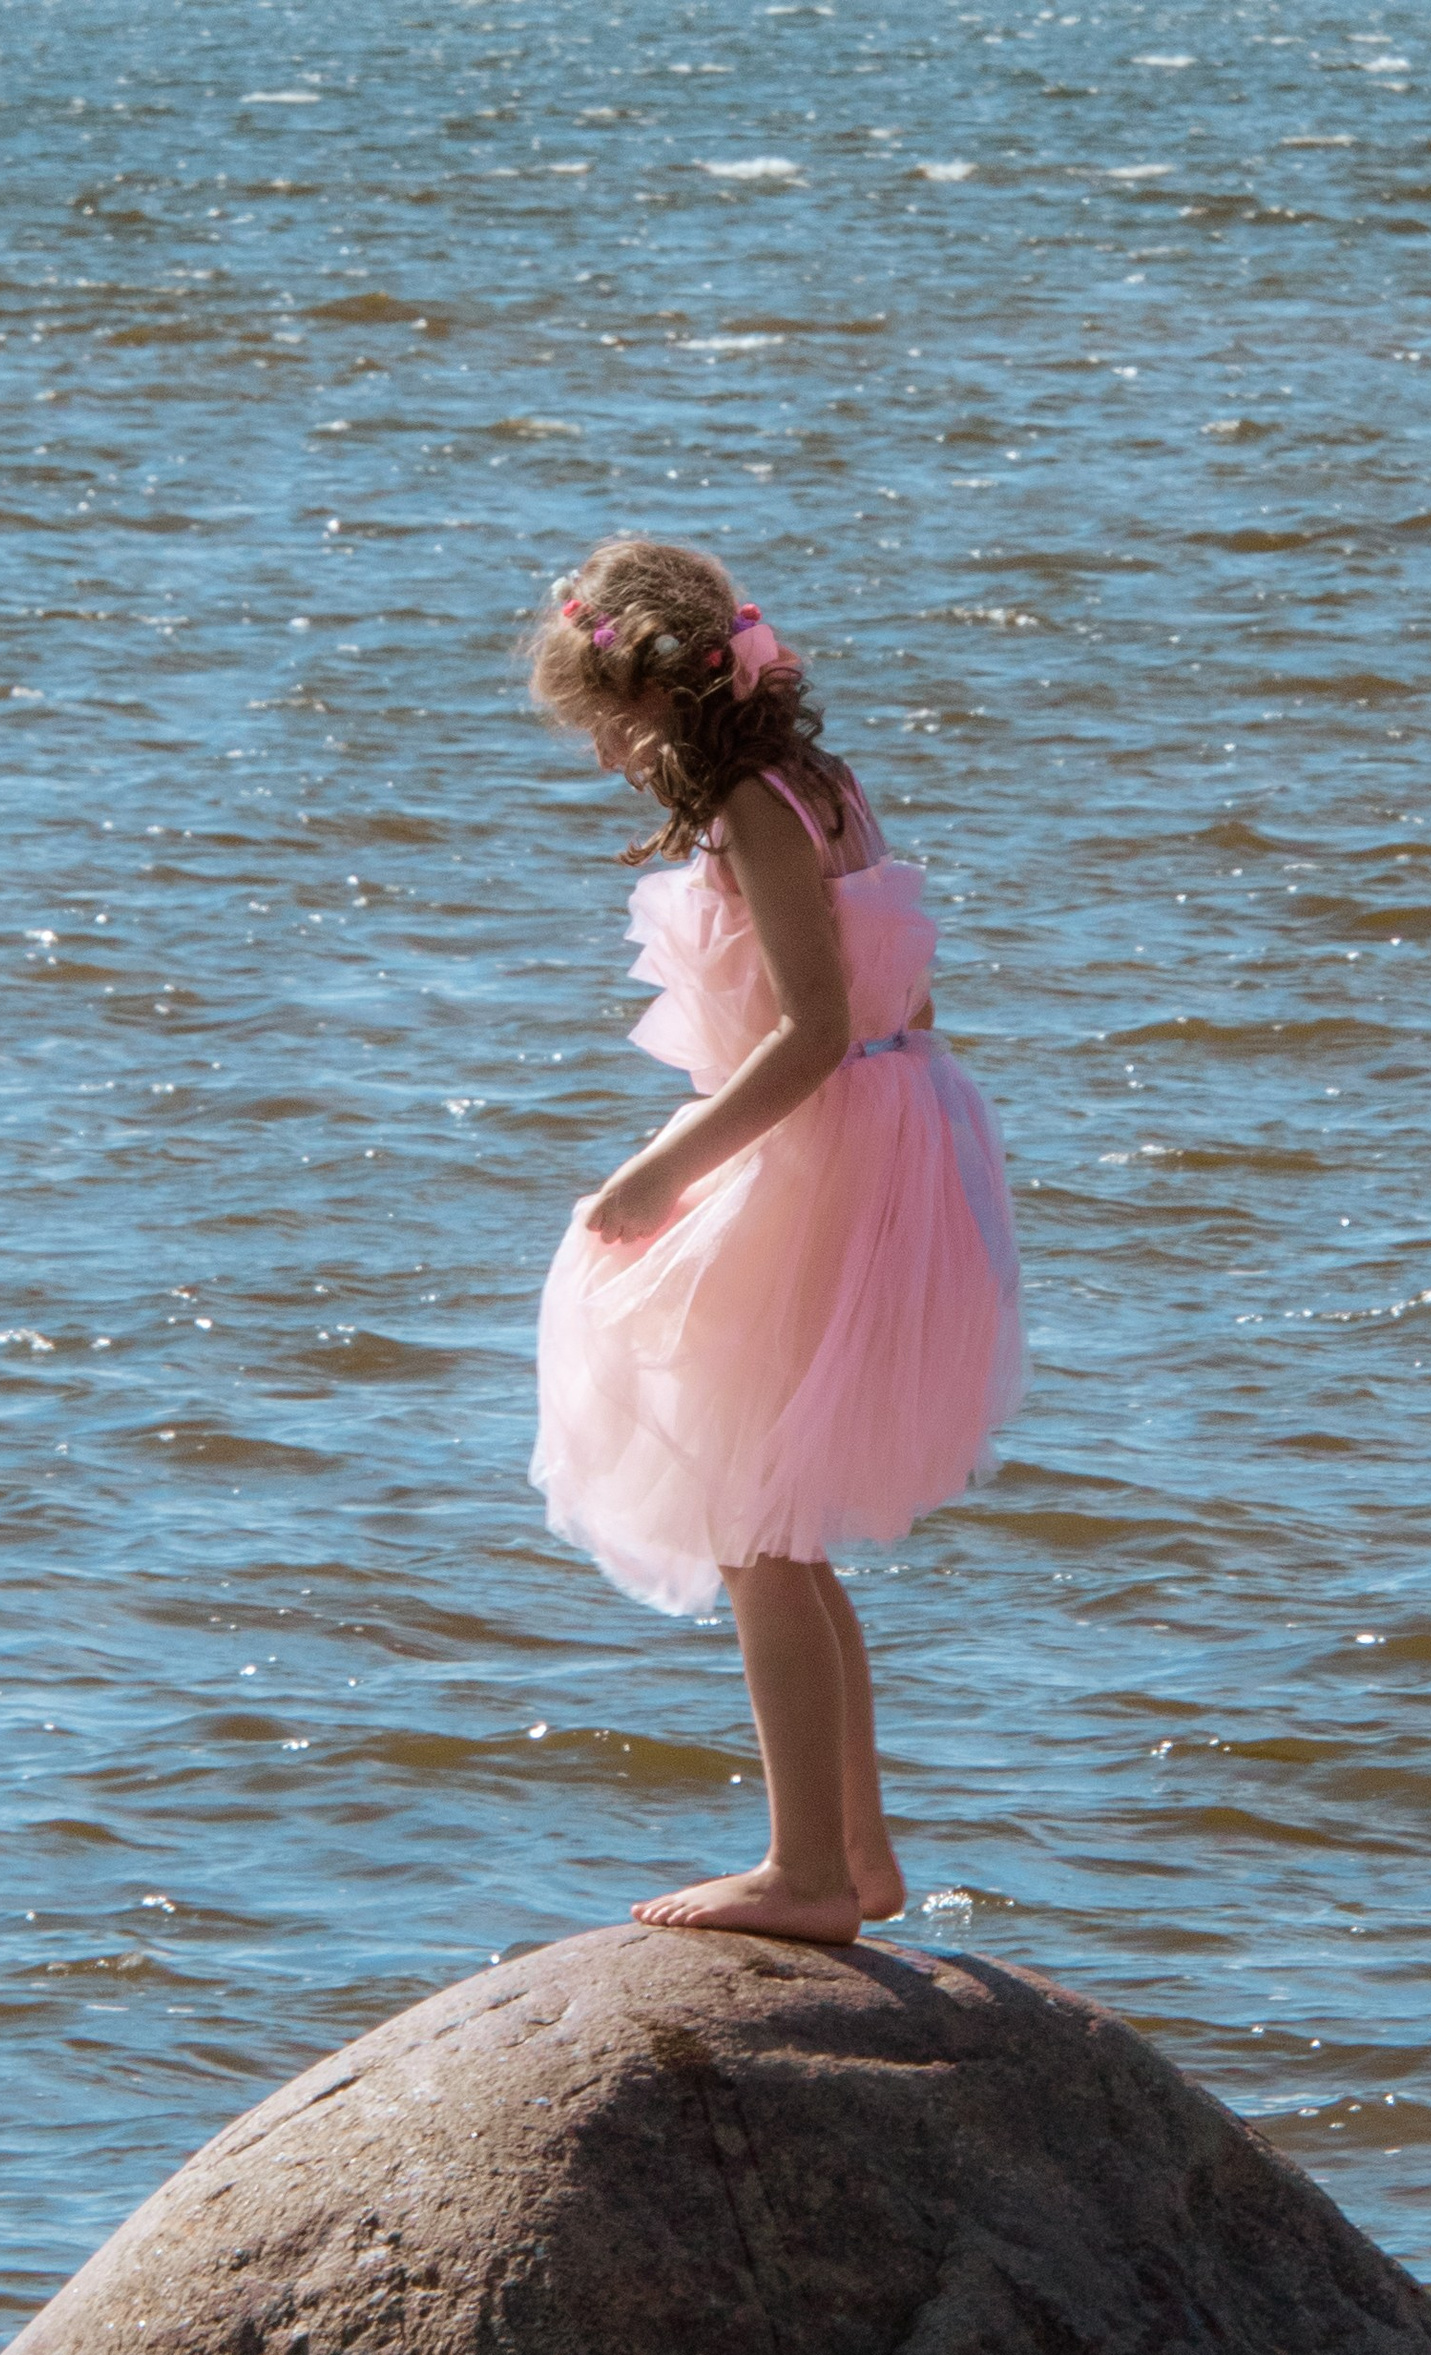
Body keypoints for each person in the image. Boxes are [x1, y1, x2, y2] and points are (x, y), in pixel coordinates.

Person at [527, 537, 1021, 1945]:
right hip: (890, 1120)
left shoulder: (750, 803)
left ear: (662, 705)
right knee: (784, 1524)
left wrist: (659, 1167)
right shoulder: (818, 780)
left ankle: (808, 1873)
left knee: (753, 1521)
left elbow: (808, 1030)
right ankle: (856, 1859)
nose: (604, 756)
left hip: (830, 1141)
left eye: (606, 727)